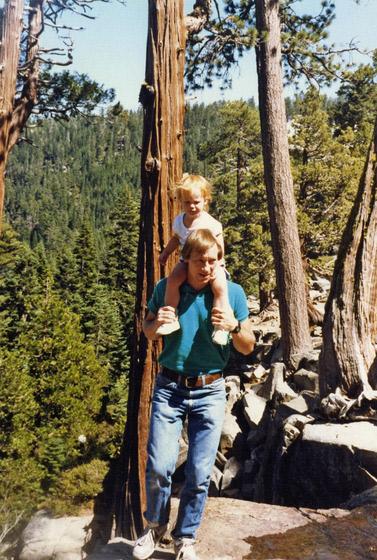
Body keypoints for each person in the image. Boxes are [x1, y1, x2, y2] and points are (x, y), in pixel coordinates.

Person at [132, 229, 255, 560]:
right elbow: (147, 331)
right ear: (185, 258)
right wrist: (157, 324)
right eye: (200, 260)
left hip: (211, 389)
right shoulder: (167, 288)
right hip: (170, 387)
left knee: (200, 473)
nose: (207, 267)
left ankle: (185, 537)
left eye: (213, 261)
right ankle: (154, 527)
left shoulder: (233, 293)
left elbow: (248, 346)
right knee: (159, 465)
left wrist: (234, 327)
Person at [157, 174, 230, 346]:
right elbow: (176, 238)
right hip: (187, 262)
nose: (192, 206)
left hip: (212, 263)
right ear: (180, 202)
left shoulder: (211, 224)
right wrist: (166, 253)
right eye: (187, 202)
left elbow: (219, 246)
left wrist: (218, 264)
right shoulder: (179, 221)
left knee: (219, 287)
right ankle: (171, 317)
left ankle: (221, 327)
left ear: (206, 200)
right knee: (173, 280)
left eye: (196, 202)